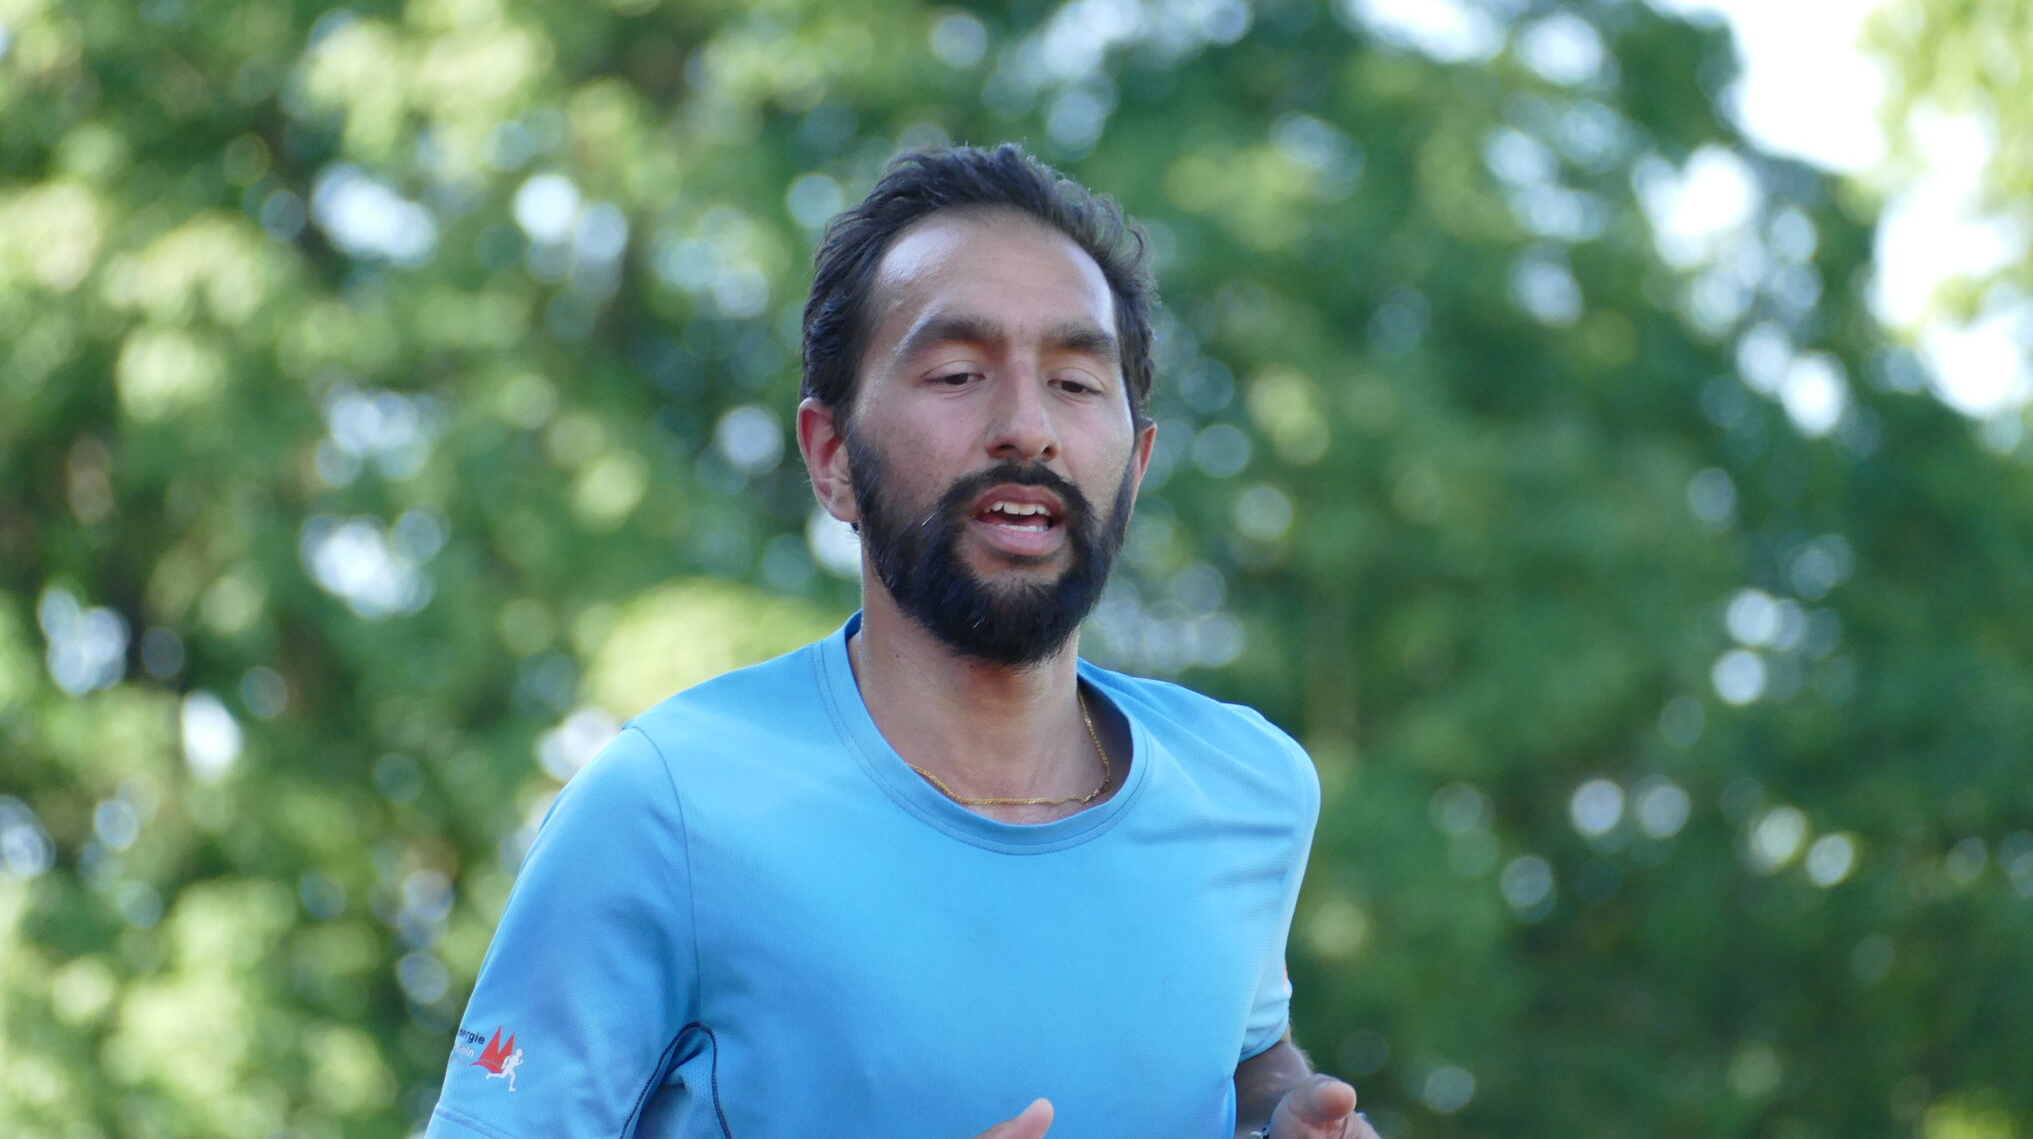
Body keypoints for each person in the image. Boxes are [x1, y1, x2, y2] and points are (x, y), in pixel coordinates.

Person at [427, 144, 1375, 1139]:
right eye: (958, 373)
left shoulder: (1249, 785)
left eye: (1075, 381)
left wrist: (1280, 1116)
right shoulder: (668, 805)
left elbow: (1241, 1056)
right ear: (832, 458)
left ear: (1135, 467)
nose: (1027, 427)